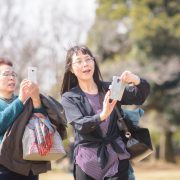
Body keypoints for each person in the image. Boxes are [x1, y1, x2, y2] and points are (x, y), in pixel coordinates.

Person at [60, 45, 150, 180]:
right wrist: (103, 115)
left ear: (93, 62)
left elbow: (138, 96)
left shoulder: (110, 89)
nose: (85, 64)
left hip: (116, 158)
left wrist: (135, 79)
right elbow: (80, 125)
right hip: (87, 162)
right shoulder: (69, 97)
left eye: (88, 59)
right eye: (79, 61)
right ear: (71, 69)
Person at [0, 57, 67, 180]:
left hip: (29, 166)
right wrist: (20, 100)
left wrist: (35, 99)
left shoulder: (25, 101)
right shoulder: (20, 101)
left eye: (13, 74)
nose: (12, 77)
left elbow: (41, 124)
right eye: (6, 74)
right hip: (4, 168)